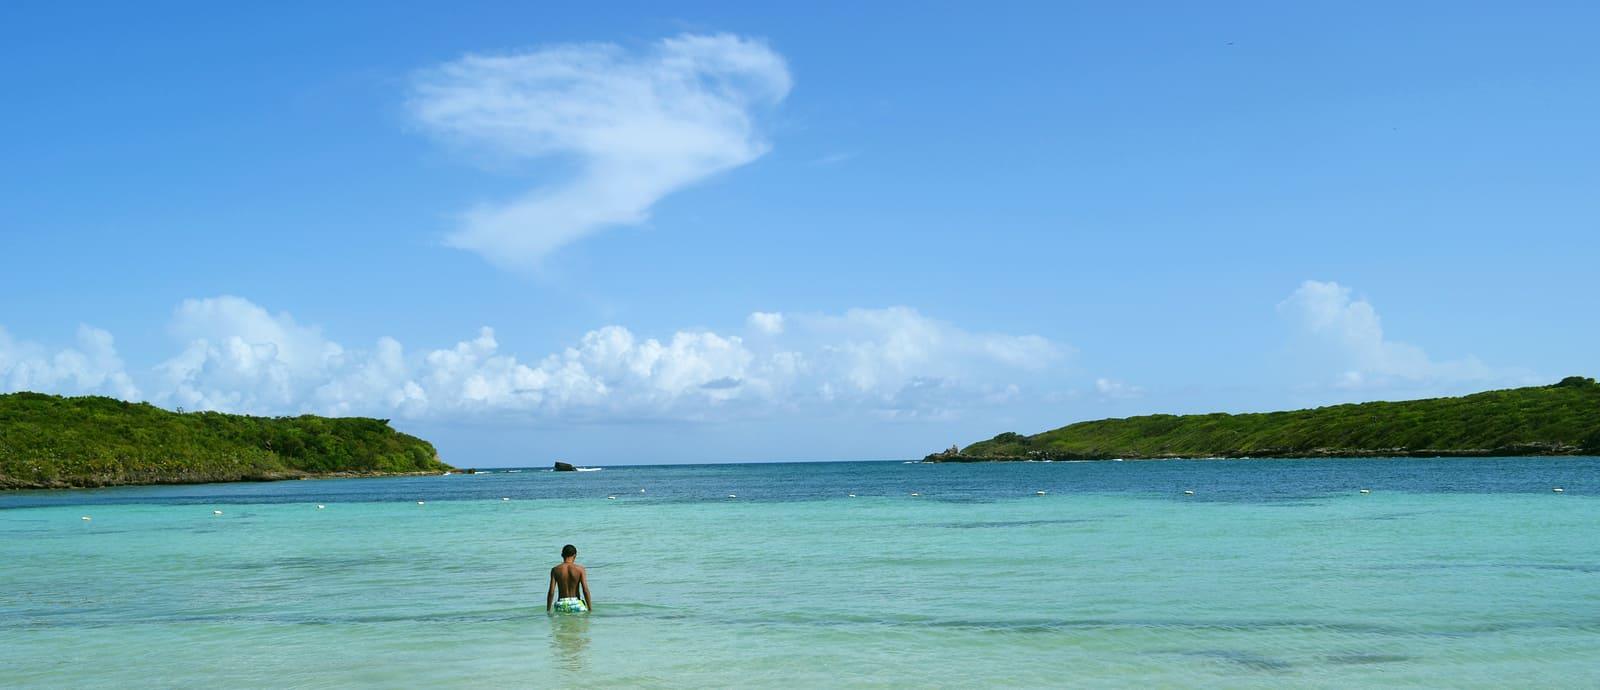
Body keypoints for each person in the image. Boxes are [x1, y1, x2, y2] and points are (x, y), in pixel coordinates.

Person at [547, 544, 592, 614]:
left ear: (562, 555)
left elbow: (551, 592)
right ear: (575, 555)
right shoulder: (580, 569)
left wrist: (548, 610)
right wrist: (590, 609)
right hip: (576, 603)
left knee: (563, 624)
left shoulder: (555, 570)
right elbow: (585, 590)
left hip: (561, 604)